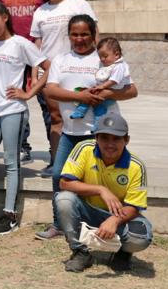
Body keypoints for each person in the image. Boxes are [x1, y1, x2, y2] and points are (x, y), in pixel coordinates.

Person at [37, 15, 138, 241]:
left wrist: (104, 94)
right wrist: (80, 96)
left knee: (98, 180)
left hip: (98, 135)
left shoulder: (105, 58)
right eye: (75, 34)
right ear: (69, 36)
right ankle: (59, 224)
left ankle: (102, 224)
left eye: (84, 34)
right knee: (58, 175)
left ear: (93, 35)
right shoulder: (60, 60)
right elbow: (49, 91)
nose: (79, 38)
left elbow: (132, 91)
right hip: (70, 132)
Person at [0, 0, 49, 235]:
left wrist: (28, 93)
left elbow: (48, 67)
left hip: (12, 111)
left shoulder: (20, 44)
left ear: (5, 17)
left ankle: (9, 214)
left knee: (10, 162)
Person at [56, 114, 152, 273]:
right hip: (87, 210)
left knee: (141, 237)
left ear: (126, 140)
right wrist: (101, 190)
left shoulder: (136, 166)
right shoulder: (84, 149)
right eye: (105, 138)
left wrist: (114, 220)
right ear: (96, 138)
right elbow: (64, 182)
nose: (110, 144)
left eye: (116, 139)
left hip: (120, 216)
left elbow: (135, 207)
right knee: (63, 199)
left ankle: (123, 254)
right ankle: (80, 252)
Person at [31, 0, 97, 168]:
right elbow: (37, 44)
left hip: (79, 69)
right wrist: (35, 74)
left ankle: (88, 161)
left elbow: (94, 33)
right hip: (50, 72)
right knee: (55, 117)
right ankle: (57, 161)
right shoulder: (40, 12)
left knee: (85, 116)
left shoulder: (78, 4)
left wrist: (100, 61)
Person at [71, 37, 129, 122]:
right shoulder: (107, 65)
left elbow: (114, 80)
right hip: (104, 91)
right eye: (100, 57)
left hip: (110, 95)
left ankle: (87, 115)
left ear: (116, 55)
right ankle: (82, 113)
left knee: (94, 103)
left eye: (105, 56)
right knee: (91, 98)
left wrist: (102, 86)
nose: (102, 59)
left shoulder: (119, 66)